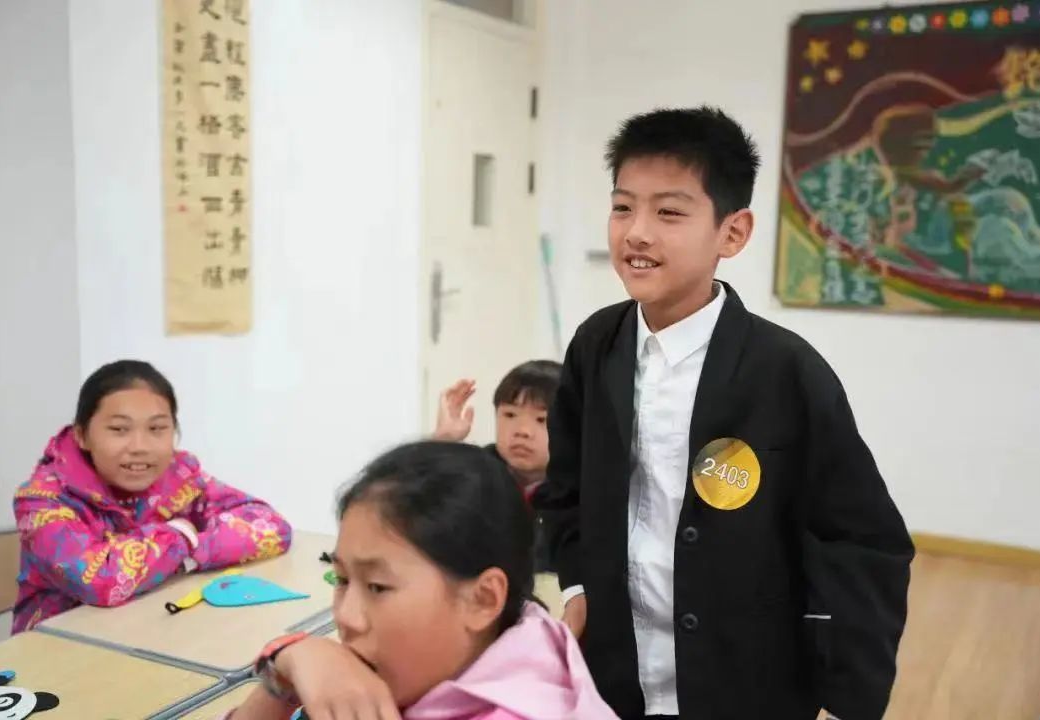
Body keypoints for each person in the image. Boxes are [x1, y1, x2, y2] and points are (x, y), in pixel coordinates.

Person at [532, 107, 914, 720]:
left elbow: (862, 540)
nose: (637, 233)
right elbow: (566, 488)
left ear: (732, 233)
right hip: (614, 670)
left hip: (745, 680)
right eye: (623, 207)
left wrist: (844, 689)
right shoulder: (595, 346)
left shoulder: (786, 372)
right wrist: (576, 583)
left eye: (669, 213)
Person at [224, 442, 616, 720]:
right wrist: (289, 666)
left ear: (483, 599)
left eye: (377, 587)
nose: (346, 617)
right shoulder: (508, 639)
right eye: (341, 579)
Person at [13, 360, 292, 632]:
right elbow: (101, 581)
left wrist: (190, 550)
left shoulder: (178, 476)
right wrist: (180, 536)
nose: (140, 447)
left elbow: (271, 527)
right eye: (119, 429)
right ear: (82, 435)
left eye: (157, 429)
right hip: (57, 647)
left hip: (150, 629)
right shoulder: (41, 500)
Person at [433, 360, 562, 571]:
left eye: (542, 420)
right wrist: (443, 443)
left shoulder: (587, 491)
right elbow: (418, 511)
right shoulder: (475, 473)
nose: (522, 431)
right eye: (510, 415)